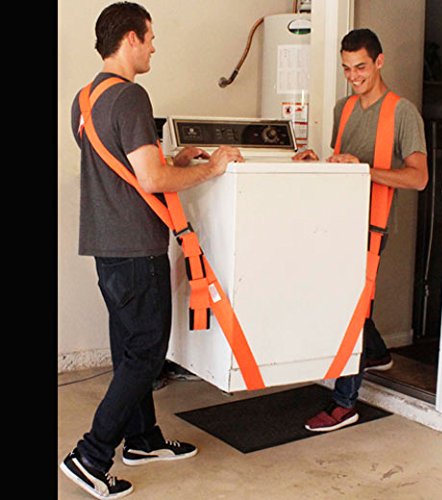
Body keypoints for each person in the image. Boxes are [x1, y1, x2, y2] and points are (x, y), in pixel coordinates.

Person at [60, 2, 244, 498]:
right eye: (150, 37)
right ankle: (91, 455)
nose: (154, 47)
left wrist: (174, 160)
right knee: (146, 355)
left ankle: (143, 440)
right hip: (137, 247)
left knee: (130, 350)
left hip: (105, 247)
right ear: (131, 39)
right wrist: (212, 167)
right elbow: (150, 179)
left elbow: (123, 169)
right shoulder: (131, 96)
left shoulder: (83, 100)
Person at [293, 28, 428, 433]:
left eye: (361, 67)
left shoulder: (403, 112)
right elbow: (344, 165)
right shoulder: (344, 108)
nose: (354, 76)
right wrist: (320, 163)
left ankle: (344, 403)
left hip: (373, 226)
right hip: (340, 222)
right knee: (346, 301)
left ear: (379, 62)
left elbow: (419, 177)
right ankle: (376, 351)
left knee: (350, 307)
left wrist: (365, 170)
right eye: (347, 68)